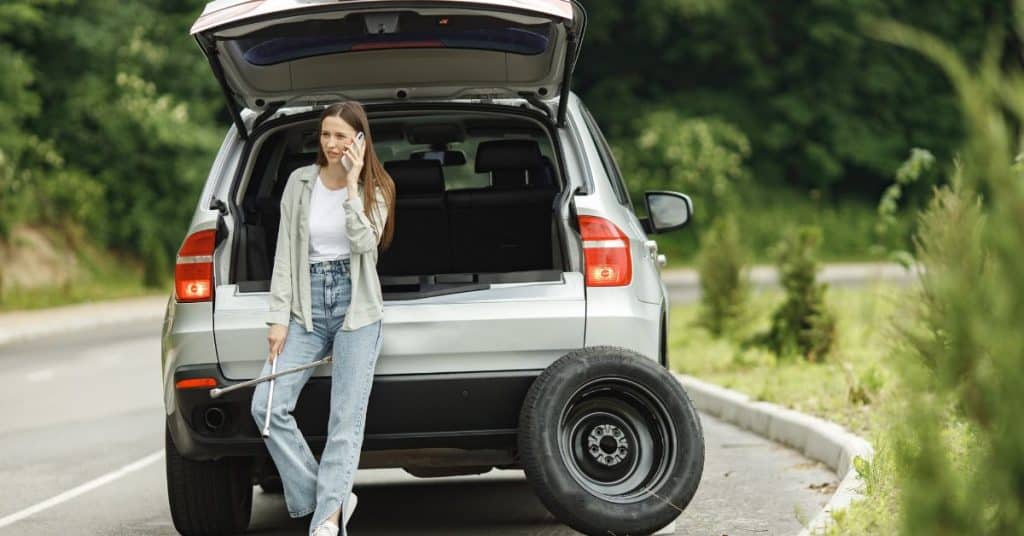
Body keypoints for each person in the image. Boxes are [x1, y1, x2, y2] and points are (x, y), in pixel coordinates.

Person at [251, 101, 396, 536]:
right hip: (306, 306)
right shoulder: (299, 182)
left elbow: (366, 245)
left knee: (344, 421)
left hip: (357, 309)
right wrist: (278, 318)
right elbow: (284, 255)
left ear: (359, 140)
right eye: (326, 134)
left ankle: (327, 521)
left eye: (341, 136)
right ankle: (331, 497)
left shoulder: (377, 188)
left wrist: (352, 185)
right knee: (266, 406)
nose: (332, 144)